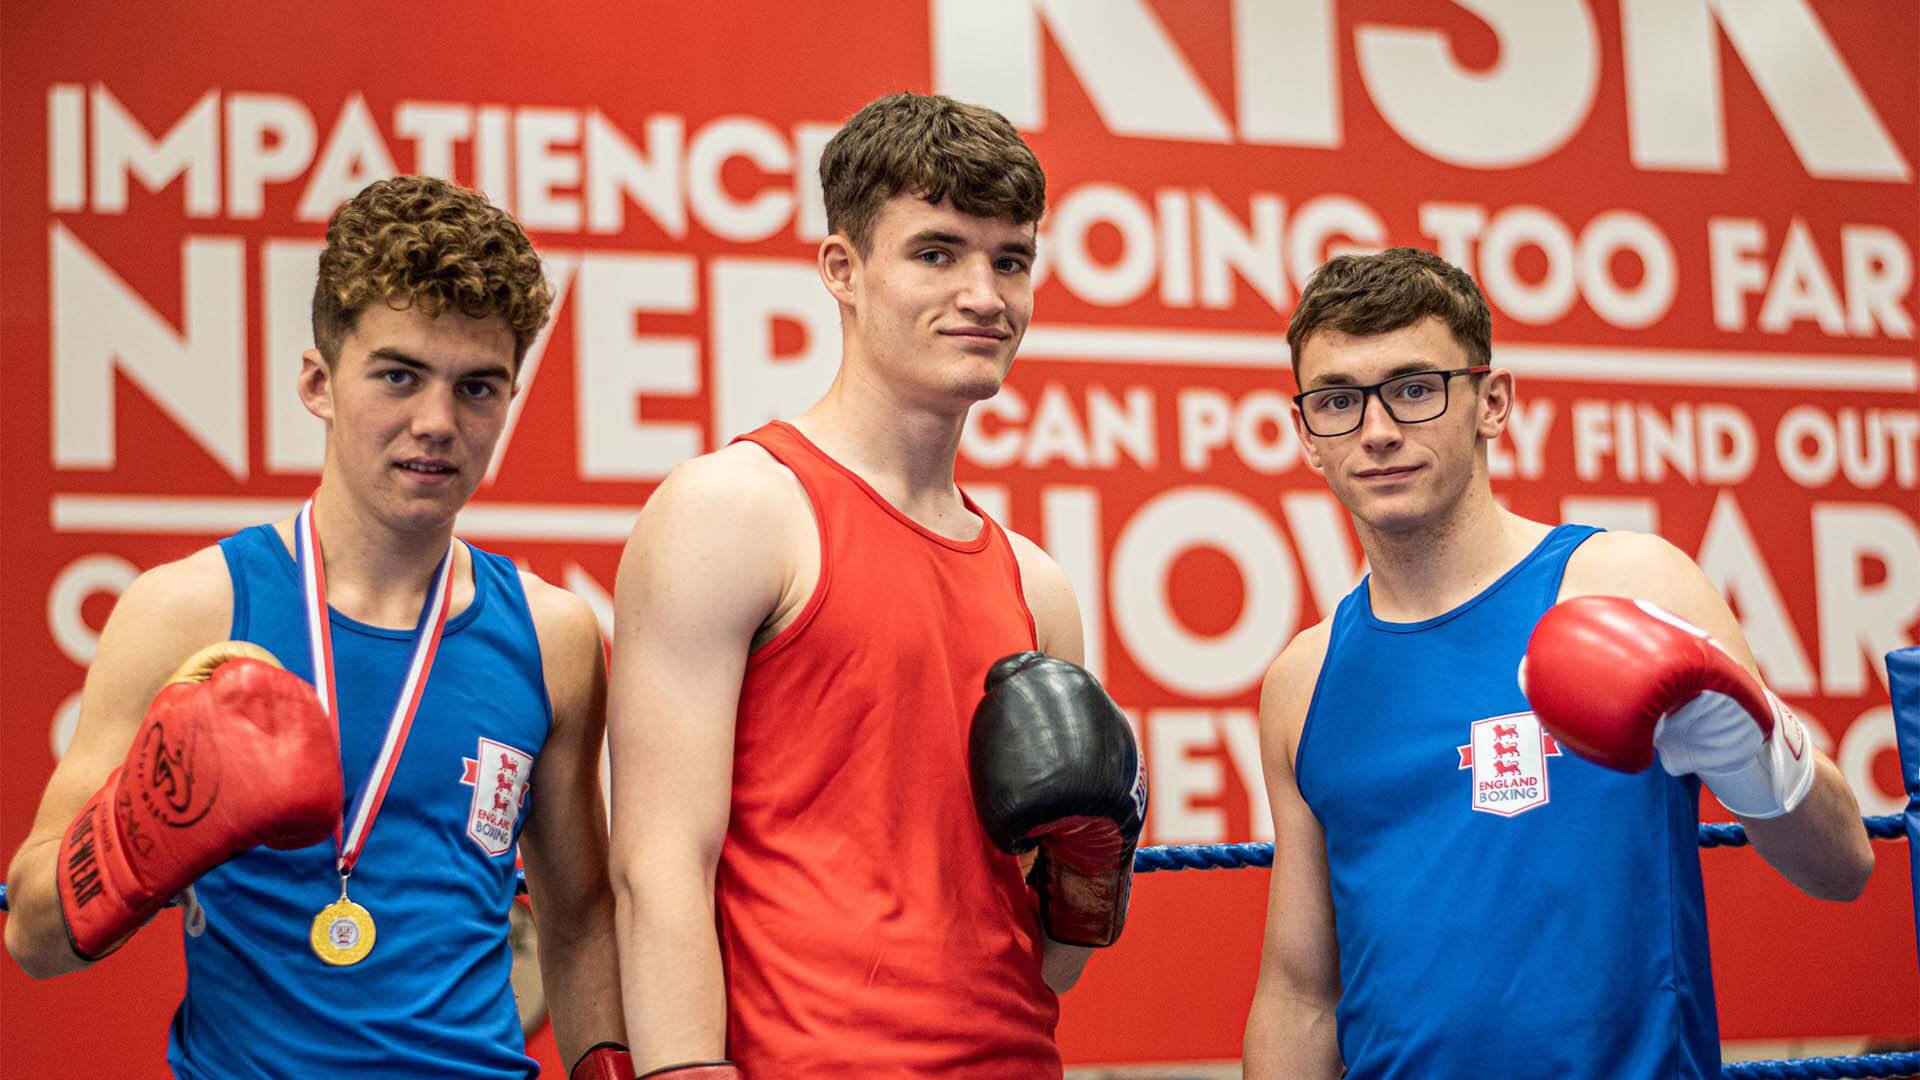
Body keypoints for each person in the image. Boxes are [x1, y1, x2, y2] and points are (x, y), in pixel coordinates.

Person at [3, 175, 631, 1080]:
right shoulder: (190, 611)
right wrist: (144, 827)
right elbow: (35, 938)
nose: (436, 423)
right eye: (398, 375)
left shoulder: (554, 638)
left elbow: (577, 923)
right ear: (317, 381)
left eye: (478, 388)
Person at [606, 92, 1145, 1079]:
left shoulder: (1036, 586)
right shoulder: (735, 510)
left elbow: (1055, 966)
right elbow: (655, 867)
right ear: (842, 271)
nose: (983, 293)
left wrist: (1089, 872)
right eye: (937, 253)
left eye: (1010, 260)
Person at [1241, 247, 1875, 1079]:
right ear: (1306, 436)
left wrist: (1747, 740)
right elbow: (1299, 996)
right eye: (1337, 401)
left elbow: (1841, 868)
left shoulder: (1624, 584)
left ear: (1491, 402)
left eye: (1415, 388)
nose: (1378, 429)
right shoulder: (1305, 680)